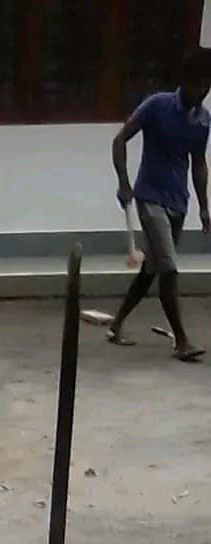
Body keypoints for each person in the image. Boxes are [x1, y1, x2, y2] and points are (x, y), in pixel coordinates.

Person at [108, 47, 211, 360]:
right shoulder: (157, 105)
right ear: (185, 80)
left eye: (207, 85)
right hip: (150, 197)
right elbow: (119, 140)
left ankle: (116, 323)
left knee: (151, 269)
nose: (201, 91)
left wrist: (204, 207)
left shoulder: (203, 120)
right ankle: (182, 341)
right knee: (169, 268)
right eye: (197, 83)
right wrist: (123, 182)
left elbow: (198, 163)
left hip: (178, 202)